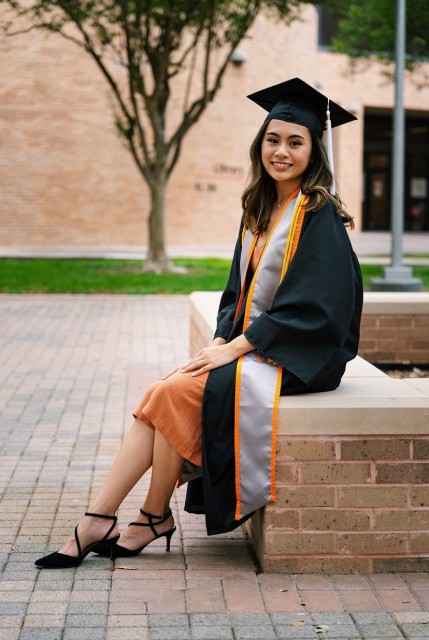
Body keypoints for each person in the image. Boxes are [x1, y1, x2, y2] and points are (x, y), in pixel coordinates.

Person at [35, 78, 363, 569]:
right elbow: (238, 290)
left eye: (296, 142)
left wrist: (234, 349)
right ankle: (122, 518)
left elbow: (316, 309)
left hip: (303, 354)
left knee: (172, 393)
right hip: (257, 345)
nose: (281, 151)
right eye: (273, 139)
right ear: (260, 145)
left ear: (315, 150)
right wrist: (218, 337)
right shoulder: (261, 206)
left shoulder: (317, 215)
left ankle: (123, 519)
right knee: (169, 389)